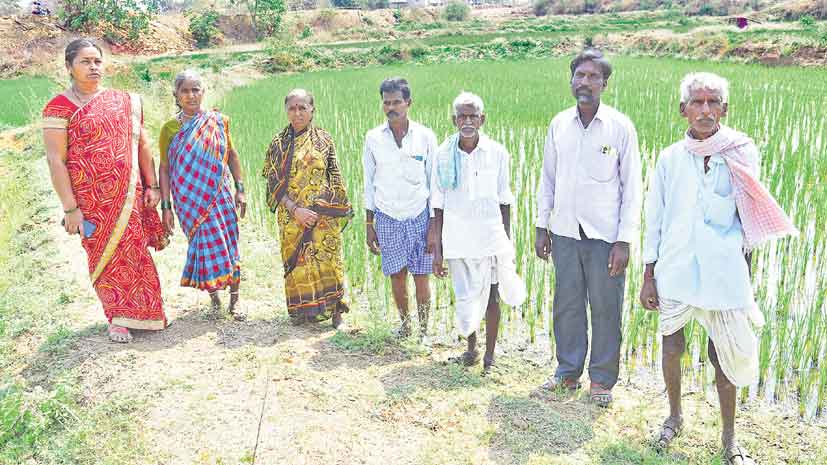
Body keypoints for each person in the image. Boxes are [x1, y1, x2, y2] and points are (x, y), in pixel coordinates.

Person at [640, 72, 796, 465]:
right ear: (683, 109)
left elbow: (749, 217)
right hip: (675, 266)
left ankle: (729, 439)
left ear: (724, 109)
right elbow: (654, 217)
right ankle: (674, 417)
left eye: (713, 102)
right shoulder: (670, 159)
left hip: (724, 269)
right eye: (697, 102)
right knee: (671, 345)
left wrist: (746, 278)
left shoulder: (740, 152)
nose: (705, 110)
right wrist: (648, 275)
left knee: (723, 353)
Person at [534, 48, 642, 406]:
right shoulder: (558, 125)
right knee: (567, 305)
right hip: (564, 231)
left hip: (604, 237)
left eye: (593, 76)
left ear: (605, 84)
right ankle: (567, 372)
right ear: (571, 81)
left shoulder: (620, 127)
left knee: (606, 308)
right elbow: (548, 178)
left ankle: (601, 381)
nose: (585, 82)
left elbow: (632, 188)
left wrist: (624, 241)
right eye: (579, 75)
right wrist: (542, 225)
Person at [42, 38, 168, 343]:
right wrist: (70, 208)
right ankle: (118, 318)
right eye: (85, 62)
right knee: (104, 256)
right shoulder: (59, 107)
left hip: (129, 196)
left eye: (97, 61)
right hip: (90, 204)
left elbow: (143, 145)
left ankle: (149, 312)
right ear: (69, 67)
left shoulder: (125, 101)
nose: (93, 67)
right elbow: (56, 160)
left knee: (136, 252)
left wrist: (152, 185)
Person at [429, 92, 526, 371]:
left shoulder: (497, 153)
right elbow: (438, 204)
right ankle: (471, 349)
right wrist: (437, 249)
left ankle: (490, 356)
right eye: (462, 116)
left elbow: (504, 200)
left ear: (482, 119)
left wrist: (506, 241)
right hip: (457, 239)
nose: (468, 121)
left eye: (473, 116)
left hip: (489, 238)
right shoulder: (443, 155)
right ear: (454, 120)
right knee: (465, 296)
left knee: (492, 296)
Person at [158, 69, 247, 320]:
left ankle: (235, 300)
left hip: (220, 195)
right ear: (176, 95)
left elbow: (232, 155)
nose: (191, 95)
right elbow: (164, 168)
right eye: (185, 91)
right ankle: (214, 296)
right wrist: (166, 207)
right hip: (189, 201)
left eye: (195, 89)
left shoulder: (219, 121)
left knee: (229, 243)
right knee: (203, 245)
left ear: (203, 92)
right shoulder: (169, 129)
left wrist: (240, 190)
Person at [262, 89, 352, 327]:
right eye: (292, 108)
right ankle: (303, 312)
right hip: (291, 216)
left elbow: (335, 176)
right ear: (286, 111)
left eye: (302, 107)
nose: (297, 113)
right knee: (298, 265)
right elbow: (273, 183)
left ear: (312, 110)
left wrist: (323, 206)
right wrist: (296, 210)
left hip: (322, 216)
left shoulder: (324, 140)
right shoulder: (278, 144)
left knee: (329, 262)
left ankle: (336, 312)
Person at [363, 77, 438, 339]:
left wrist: (434, 226)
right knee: (396, 275)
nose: (391, 107)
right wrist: (369, 224)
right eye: (387, 103)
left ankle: (424, 332)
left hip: (419, 216)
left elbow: (434, 183)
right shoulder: (373, 138)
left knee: (421, 276)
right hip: (387, 217)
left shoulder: (425, 136)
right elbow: (369, 183)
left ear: (408, 103)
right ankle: (405, 327)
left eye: (396, 102)